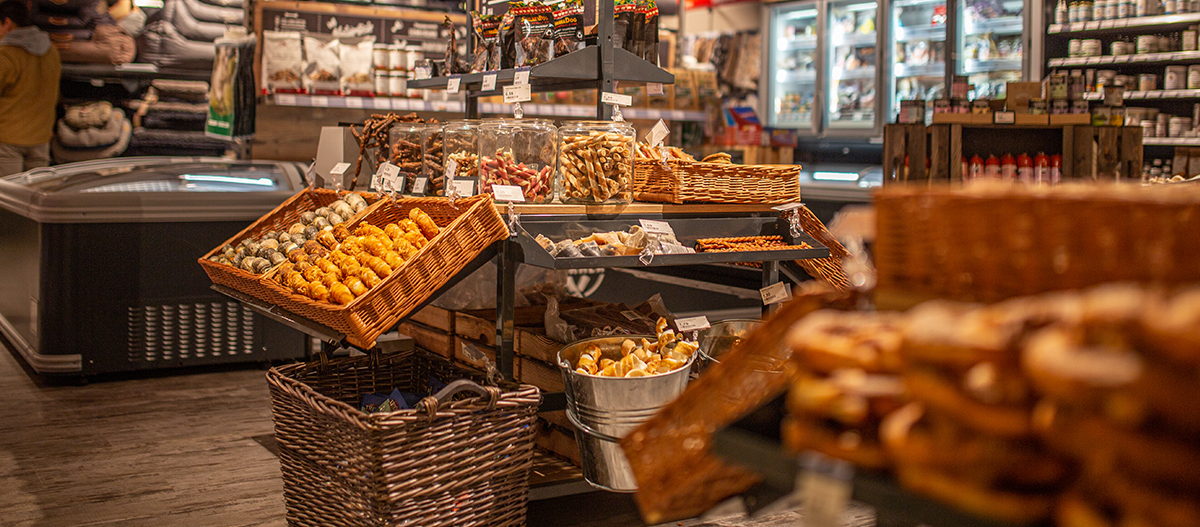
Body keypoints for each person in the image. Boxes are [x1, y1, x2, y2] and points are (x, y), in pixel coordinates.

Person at [0, 0, 60, 176]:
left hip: (8, 140)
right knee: (36, 196)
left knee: (8, 198)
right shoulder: (51, 51)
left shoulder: (7, 55)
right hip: (41, 138)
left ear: (8, 23)